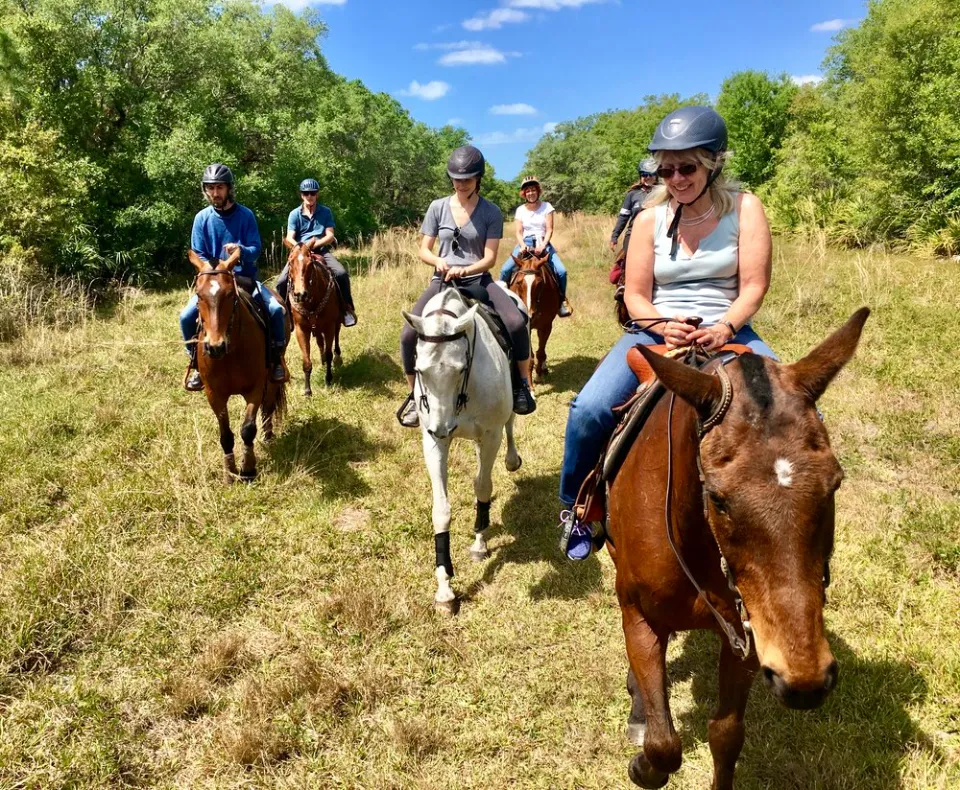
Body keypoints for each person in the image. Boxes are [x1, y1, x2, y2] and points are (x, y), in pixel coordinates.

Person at [558, 106, 777, 560]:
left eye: (687, 167)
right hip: (657, 332)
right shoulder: (648, 220)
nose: (676, 178)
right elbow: (636, 295)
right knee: (588, 409)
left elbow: (754, 285)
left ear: (714, 162)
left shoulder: (745, 208)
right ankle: (579, 509)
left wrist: (724, 327)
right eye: (667, 168)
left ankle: (786, 520)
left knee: (790, 410)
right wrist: (661, 325)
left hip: (728, 329)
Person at [398, 145, 536, 428]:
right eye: (456, 179)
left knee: (515, 322)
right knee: (407, 335)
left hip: (478, 280)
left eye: (467, 179)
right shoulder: (437, 207)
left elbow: (489, 258)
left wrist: (467, 268)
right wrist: (439, 261)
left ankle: (522, 384)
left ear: (478, 179)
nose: (461, 184)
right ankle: (414, 395)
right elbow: (424, 249)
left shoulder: (491, 212)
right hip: (443, 280)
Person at [179, 163, 286, 392]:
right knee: (186, 316)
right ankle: (196, 363)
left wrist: (240, 250)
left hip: (244, 277)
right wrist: (215, 269)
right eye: (210, 188)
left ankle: (276, 359)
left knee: (276, 310)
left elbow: (256, 248)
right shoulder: (202, 218)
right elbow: (197, 252)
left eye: (219, 187)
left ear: (229, 189)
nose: (215, 193)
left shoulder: (245, 215)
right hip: (213, 281)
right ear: (205, 190)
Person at [278, 178, 357, 327]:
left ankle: (346, 309)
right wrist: (301, 247)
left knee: (341, 273)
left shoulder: (325, 212)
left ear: (317, 195)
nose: (309, 196)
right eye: (306, 193)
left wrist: (314, 245)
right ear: (301, 195)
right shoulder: (294, 214)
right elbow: (289, 237)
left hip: (320, 249)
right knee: (281, 281)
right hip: (300, 253)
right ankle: (285, 315)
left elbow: (329, 235)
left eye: (312, 193)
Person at [498, 175, 571, 317]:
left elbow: (549, 229)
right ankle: (501, 302)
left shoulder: (547, 207)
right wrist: (523, 245)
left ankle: (561, 301)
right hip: (525, 243)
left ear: (538, 191)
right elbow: (518, 232)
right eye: (527, 191)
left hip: (543, 242)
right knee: (505, 269)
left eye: (533, 190)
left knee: (562, 271)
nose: (530, 193)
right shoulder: (520, 210)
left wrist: (543, 245)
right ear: (524, 194)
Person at [609, 158, 658, 256]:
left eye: (651, 174)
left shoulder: (664, 192)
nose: (648, 177)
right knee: (630, 261)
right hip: (634, 234)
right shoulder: (632, 194)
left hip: (656, 234)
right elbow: (623, 217)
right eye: (644, 174)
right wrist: (614, 237)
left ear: (656, 175)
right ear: (640, 176)